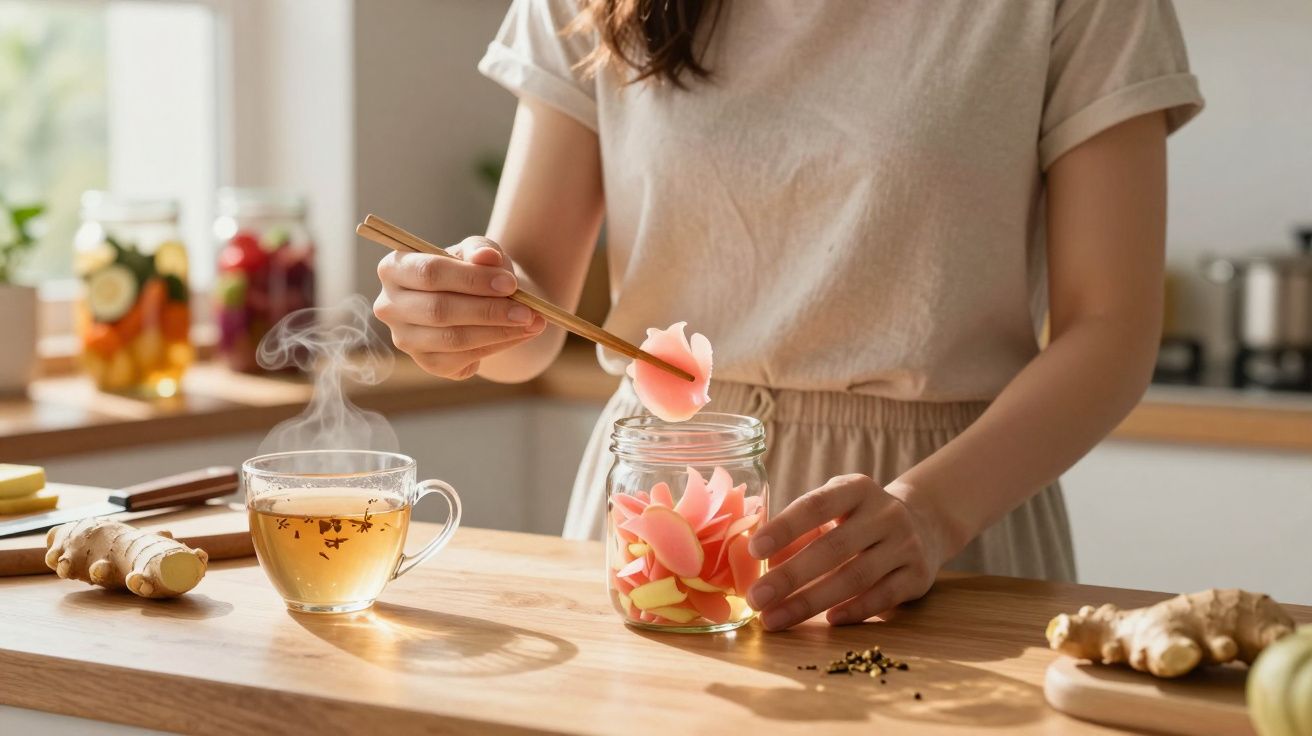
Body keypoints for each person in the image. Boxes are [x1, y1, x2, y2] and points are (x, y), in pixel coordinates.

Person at [373, 0, 1203, 631]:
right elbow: (533, 319)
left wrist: (932, 512)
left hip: (939, 525)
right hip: (654, 515)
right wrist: (472, 314)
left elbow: (1113, 327)